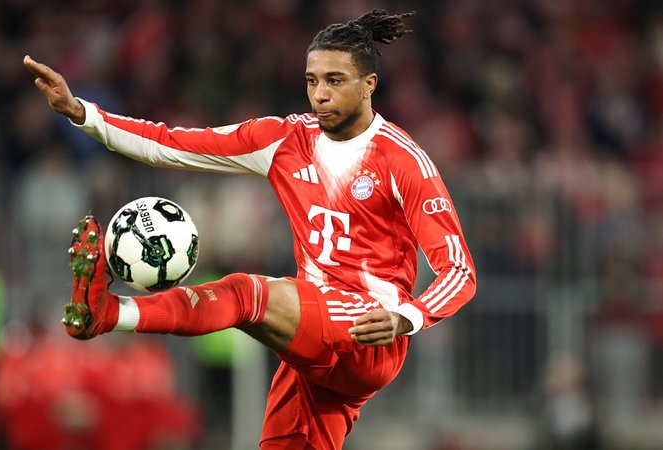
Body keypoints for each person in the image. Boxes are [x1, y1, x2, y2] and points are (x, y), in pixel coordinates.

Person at [25, 9, 476, 449]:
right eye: (312, 81)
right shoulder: (285, 140)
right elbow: (172, 144)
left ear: (368, 86)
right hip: (313, 335)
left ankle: (112, 314)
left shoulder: (402, 161)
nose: (319, 94)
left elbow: (458, 270)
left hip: (368, 332)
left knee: (247, 294)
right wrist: (81, 112)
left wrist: (406, 317)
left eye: (334, 81)